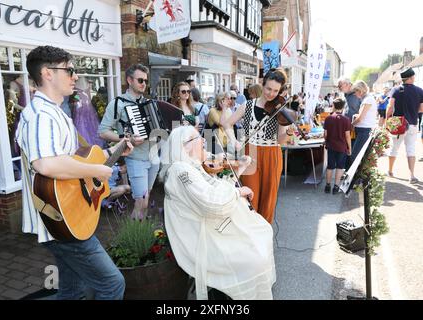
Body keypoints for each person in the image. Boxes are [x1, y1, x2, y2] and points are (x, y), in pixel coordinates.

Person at [15, 45, 133, 300]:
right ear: (48, 73)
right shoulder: (40, 116)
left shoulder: (54, 113)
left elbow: (72, 159)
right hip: (59, 221)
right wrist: (96, 170)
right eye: (69, 70)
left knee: (72, 292)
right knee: (112, 285)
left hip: (64, 220)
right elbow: (46, 164)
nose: (75, 76)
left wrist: (115, 150)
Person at [159, 125, 276, 300]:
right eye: (199, 138)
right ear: (185, 146)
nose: (204, 141)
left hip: (210, 225)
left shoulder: (192, 166)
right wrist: (238, 192)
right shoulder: (180, 170)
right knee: (254, 256)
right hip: (203, 235)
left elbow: (216, 188)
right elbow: (211, 202)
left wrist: (239, 169)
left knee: (261, 233)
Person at [220, 68, 294, 224]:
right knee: (249, 198)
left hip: (272, 154)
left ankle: (264, 235)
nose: (271, 94)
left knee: (269, 199)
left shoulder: (280, 109)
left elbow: (281, 141)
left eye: (276, 91)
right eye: (268, 88)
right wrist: (234, 141)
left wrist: (288, 134)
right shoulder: (247, 105)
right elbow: (227, 124)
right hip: (250, 153)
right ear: (262, 83)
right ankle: (250, 233)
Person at [99, 64, 158, 221]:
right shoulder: (117, 103)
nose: (143, 84)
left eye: (145, 81)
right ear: (129, 80)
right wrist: (126, 138)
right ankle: (133, 241)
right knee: (141, 201)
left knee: (146, 198)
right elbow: (103, 131)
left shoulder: (149, 103)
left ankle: (142, 233)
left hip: (153, 157)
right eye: (140, 80)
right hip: (136, 158)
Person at [386, 68, 423, 183]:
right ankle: (411, 175)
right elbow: (421, 109)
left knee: (394, 148)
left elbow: (390, 107)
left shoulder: (396, 90)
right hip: (412, 123)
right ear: (411, 78)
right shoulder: (420, 90)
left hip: (398, 123)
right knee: (411, 149)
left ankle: (390, 171)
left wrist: (388, 121)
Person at [323, 98, 351, 194]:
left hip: (331, 146)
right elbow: (347, 136)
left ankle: (327, 186)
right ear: (343, 107)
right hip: (342, 147)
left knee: (330, 166)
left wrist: (327, 141)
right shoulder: (346, 120)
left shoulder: (328, 118)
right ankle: (336, 187)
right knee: (340, 167)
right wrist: (349, 148)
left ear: (333, 106)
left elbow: (325, 134)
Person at [351, 80, 378, 162]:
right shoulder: (367, 99)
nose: (354, 94)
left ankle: (355, 174)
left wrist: (351, 124)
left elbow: (360, 118)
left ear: (360, 90)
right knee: (359, 155)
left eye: (355, 91)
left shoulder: (368, 100)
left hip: (364, 130)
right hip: (363, 130)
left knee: (355, 156)